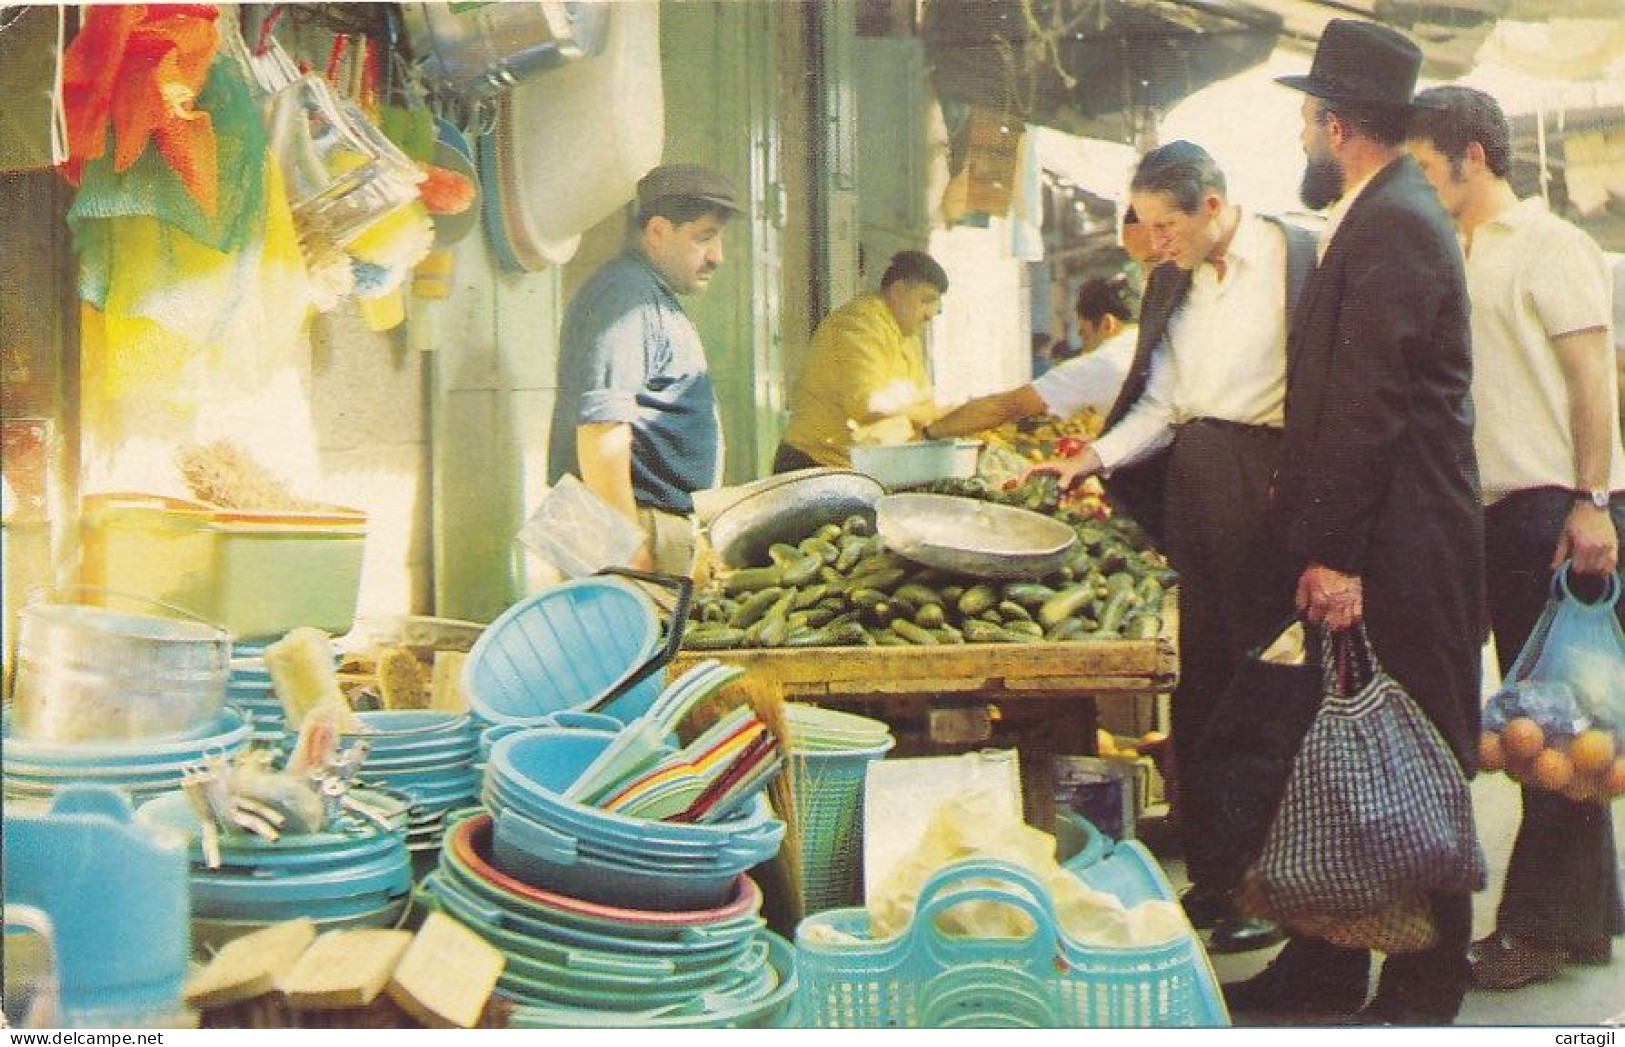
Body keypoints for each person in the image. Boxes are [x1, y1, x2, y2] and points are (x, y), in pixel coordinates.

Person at [1225, 21, 1486, 1025]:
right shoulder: (1388, 213)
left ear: (1335, 126)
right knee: (1339, 758)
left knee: (1414, 753)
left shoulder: (1395, 223)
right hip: (1393, 535)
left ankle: (1427, 983)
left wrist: (1333, 554)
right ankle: (1326, 966)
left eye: (1304, 116)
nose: (1301, 133)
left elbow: (1366, 407)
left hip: (1403, 545)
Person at [1029, 140, 1317, 955]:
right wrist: (1091, 456)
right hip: (1195, 481)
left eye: (1166, 224)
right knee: (1203, 684)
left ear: (1213, 207)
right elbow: (1157, 403)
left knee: (1269, 688)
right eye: (1146, 225)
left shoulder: (1300, 256)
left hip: (1270, 483)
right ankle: (1220, 876)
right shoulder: (1169, 283)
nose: (1154, 242)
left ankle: (1272, 886)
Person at [1406, 84, 1625, 992]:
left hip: (1550, 506)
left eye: (1424, 167)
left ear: (1473, 156)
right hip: (1485, 509)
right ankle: (1585, 921)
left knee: (1546, 728)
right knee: (1555, 718)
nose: (1415, 184)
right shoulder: (1449, 249)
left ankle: (1533, 929)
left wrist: (1592, 500)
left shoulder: (1548, 243)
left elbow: (1591, 378)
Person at [546, 163, 741, 575]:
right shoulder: (626, 295)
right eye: (704, 237)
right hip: (630, 524)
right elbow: (601, 429)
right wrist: (626, 549)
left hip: (635, 519)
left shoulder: (647, 292)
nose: (717, 256)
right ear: (656, 231)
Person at [773, 251, 948, 471]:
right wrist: (936, 415)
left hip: (857, 467)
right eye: (926, 300)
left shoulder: (906, 335)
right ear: (897, 291)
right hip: (813, 463)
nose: (930, 314)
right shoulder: (858, 324)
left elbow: (922, 400)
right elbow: (868, 404)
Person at [924, 276, 1137, 438]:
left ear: (1107, 323)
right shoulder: (1155, 341)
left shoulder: (1100, 363)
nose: (1084, 347)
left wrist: (929, 433)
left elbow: (1001, 408)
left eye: (1084, 333)